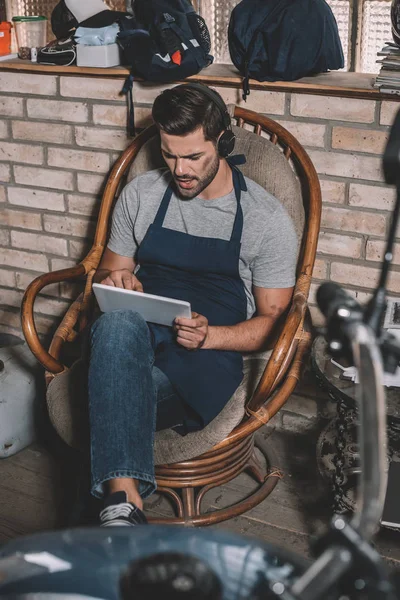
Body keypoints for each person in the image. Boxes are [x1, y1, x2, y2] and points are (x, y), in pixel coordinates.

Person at [89, 83, 298, 527]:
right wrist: (118, 278)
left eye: (193, 157)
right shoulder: (142, 194)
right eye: (169, 155)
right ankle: (124, 515)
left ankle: (116, 512)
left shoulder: (265, 219)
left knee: (114, 384)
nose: (180, 169)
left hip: (202, 358)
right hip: (130, 338)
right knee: (115, 327)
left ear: (222, 143)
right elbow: (107, 276)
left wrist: (211, 337)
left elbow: (275, 323)